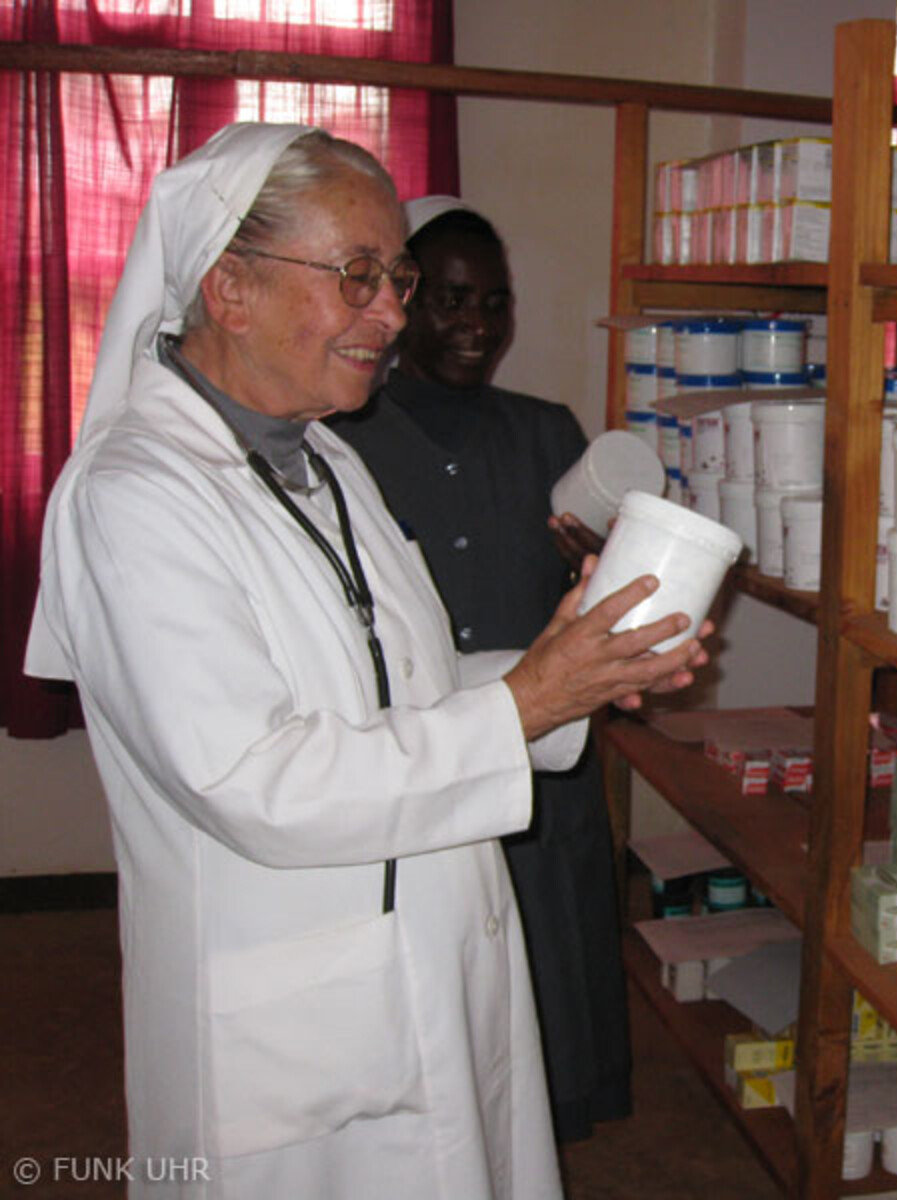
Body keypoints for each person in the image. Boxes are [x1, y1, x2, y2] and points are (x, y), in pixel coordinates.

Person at [25, 123, 710, 1199]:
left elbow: (408, 690)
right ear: (228, 285)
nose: (391, 312)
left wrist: (571, 664)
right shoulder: (135, 497)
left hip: (435, 954)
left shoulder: (326, 455)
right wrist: (526, 704)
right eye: (359, 276)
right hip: (296, 1016)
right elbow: (253, 780)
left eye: (394, 276)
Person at [332, 199, 631, 1143]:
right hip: (412, 767)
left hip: (541, 764)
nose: (476, 324)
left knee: (549, 968)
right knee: (430, 1004)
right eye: (452, 299)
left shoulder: (547, 433)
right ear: (405, 300)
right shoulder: (340, 439)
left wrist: (603, 559)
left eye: (495, 303)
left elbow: (597, 605)